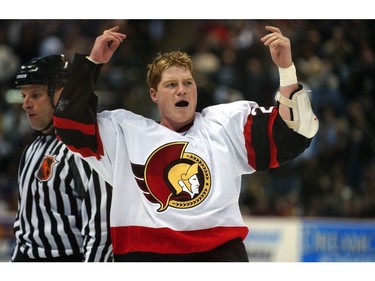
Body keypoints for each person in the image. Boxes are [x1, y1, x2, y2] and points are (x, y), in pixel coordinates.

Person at [53, 25, 319, 262]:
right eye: (171, 85)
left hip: (219, 257)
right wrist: (93, 62)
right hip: (147, 259)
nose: (182, 90)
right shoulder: (123, 133)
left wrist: (286, 70)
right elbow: (69, 124)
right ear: (154, 95)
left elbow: (292, 133)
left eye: (187, 83)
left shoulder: (225, 125)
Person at [11, 54, 113, 262]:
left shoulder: (82, 150)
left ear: (61, 95)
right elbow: (24, 224)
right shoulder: (32, 149)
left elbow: (101, 231)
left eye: (36, 95)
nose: (26, 104)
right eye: (24, 96)